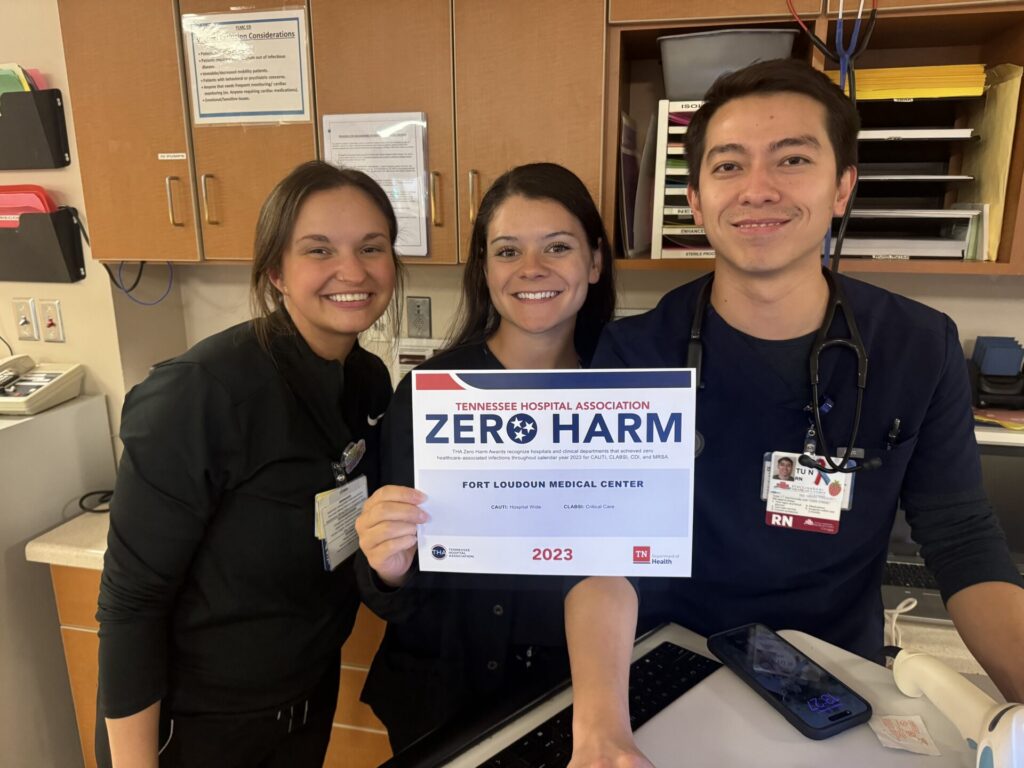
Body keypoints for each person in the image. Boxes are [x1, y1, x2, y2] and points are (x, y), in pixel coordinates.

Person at [564, 59, 1024, 767]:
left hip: (838, 685)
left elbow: (963, 542)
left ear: (843, 187)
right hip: (671, 669)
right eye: (728, 166)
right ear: (695, 194)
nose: (758, 189)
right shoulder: (636, 352)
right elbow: (602, 555)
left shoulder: (918, 347)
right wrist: (600, 733)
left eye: (793, 159)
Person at [95, 160, 402, 768]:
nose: (353, 270)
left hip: (305, 702)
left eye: (372, 247)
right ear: (275, 273)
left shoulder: (365, 380)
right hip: (197, 730)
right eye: (319, 250)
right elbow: (131, 604)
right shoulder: (201, 393)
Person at [354, 162, 616, 750]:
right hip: (442, 697)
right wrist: (388, 567)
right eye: (507, 251)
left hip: (575, 698)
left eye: (557, 246)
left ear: (594, 262)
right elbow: (390, 583)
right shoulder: (428, 395)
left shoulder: (630, 396)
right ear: (484, 269)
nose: (532, 270)